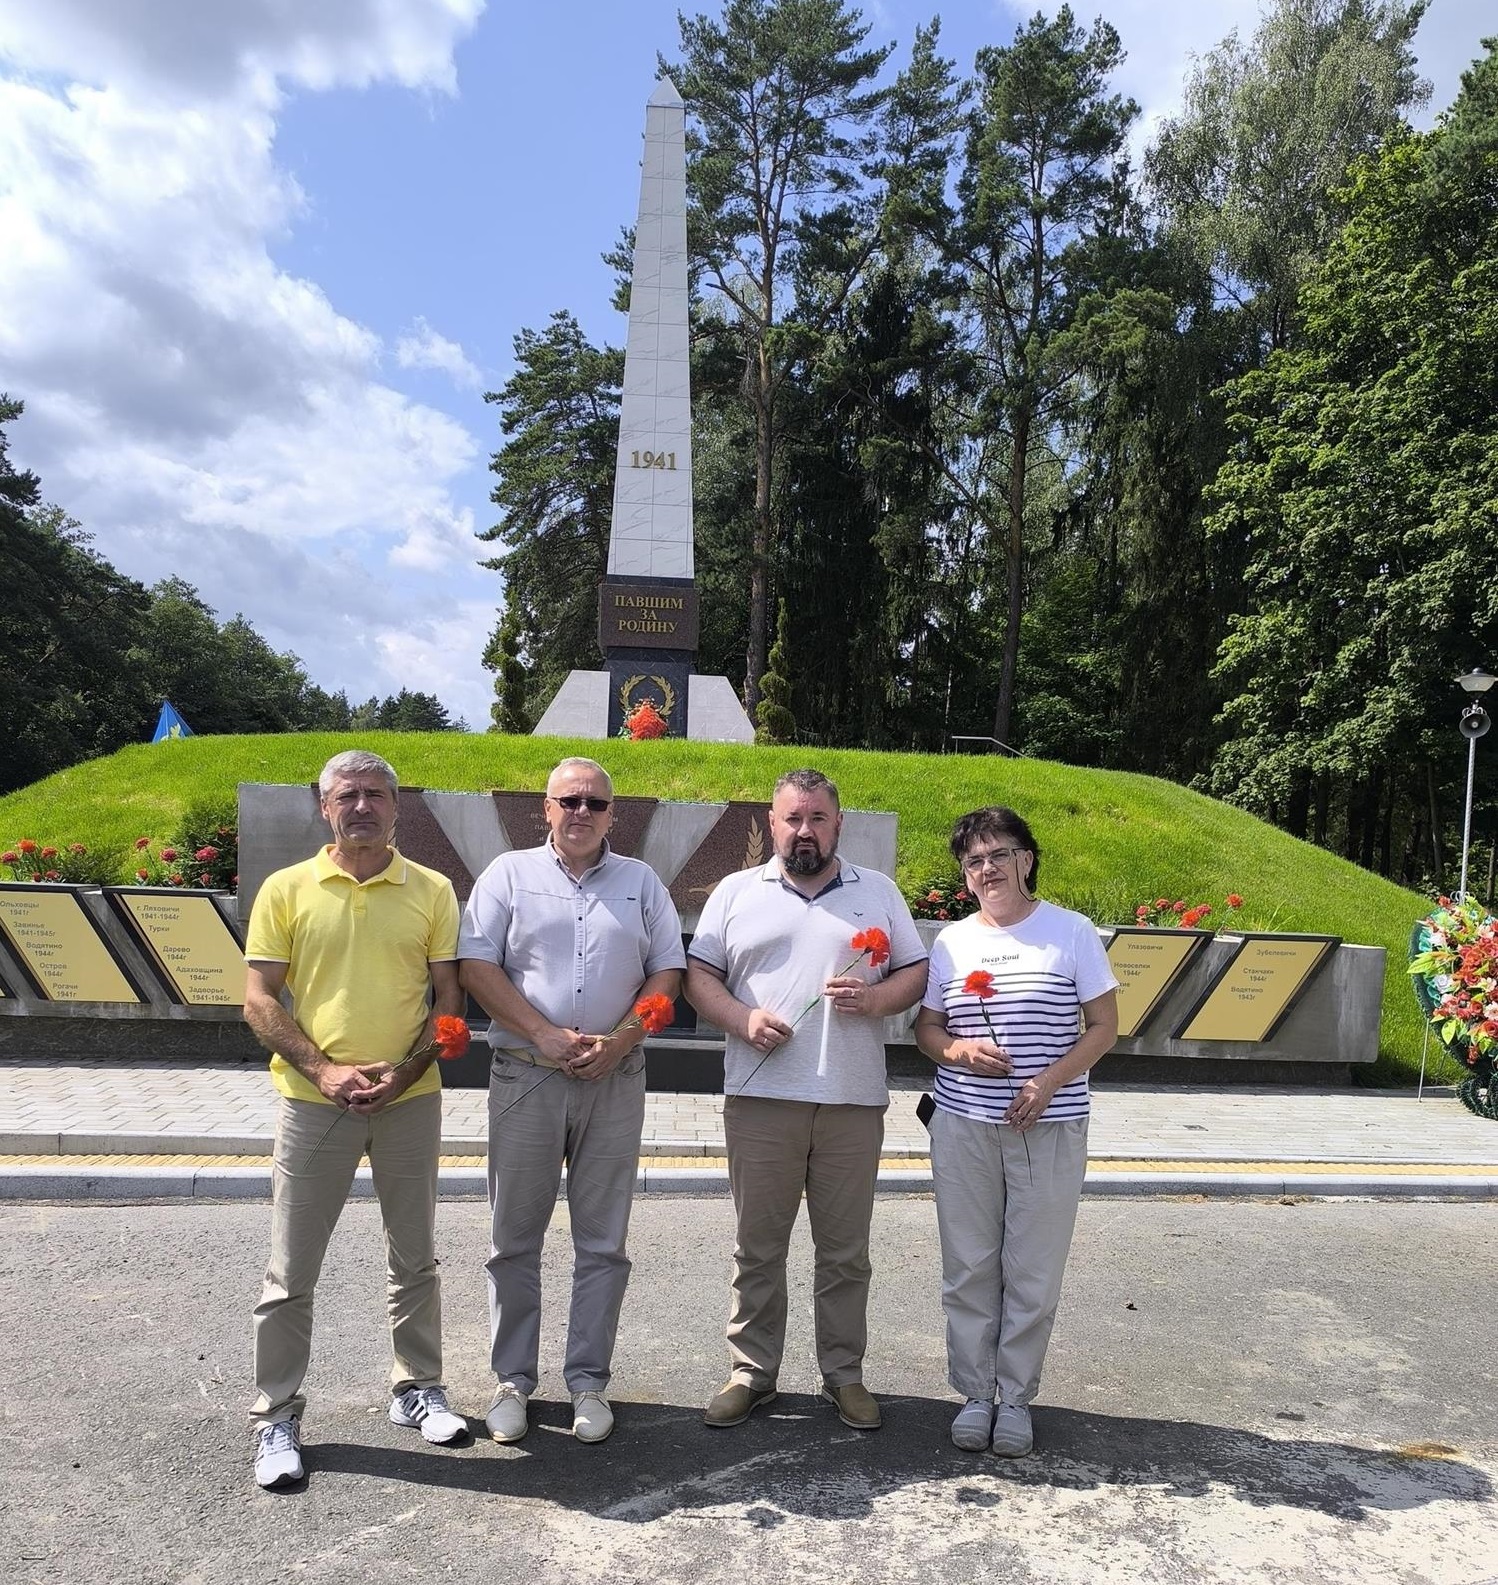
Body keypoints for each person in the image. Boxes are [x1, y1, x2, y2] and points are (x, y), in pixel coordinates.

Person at [243, 749, 467, 1491]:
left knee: (415, 1259)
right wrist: (326, 1069)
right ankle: (277, 1413)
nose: (363, 805)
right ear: (323, 805)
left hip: (409, 1100)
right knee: (290, 1269)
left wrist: (402, 1071)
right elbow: (259, 999)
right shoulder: (287, 888)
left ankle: (417, 1388)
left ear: (398, 807)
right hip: (314, 1104)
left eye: (376, 793)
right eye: (348, 794)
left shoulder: (431, 890)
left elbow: (448, 1000)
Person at [686, 768, 928, 1432]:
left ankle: (843, 1374)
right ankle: (751, 1372)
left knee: (845, 1251)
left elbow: (914, 969)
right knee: (757, 1245)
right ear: (772, 822)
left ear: (838, 824)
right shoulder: (736, 892)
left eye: (818, 818)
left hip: (851, 1099)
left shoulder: (876, 892)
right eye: (793, 818)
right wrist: (742, 1019)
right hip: (761, 1096)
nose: (805, 830)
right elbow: (699, 976)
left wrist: (877, 999)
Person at [458, 756, 684, 1445]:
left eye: (595, 801)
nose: (582, 811)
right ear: (545, 808)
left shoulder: (641, 883)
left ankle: (588, 1382)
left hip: (614, 1079)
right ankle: (511, 1383)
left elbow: (667, 970)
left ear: (613, 814)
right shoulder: (507, 875)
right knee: (513, 1237)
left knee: (603, 1242)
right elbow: (476, 965)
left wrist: (622, 1039)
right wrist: (543, 1033)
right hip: (527, 1072)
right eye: (570, 800)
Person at [913, 806, 1118, 1457]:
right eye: (974, 860)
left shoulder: (1072, 933)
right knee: (969, 1265)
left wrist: (1050, 1080)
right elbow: (928, 1029)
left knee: (1032, 1268)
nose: (987, 868)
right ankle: (975, 1392)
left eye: (999, 853)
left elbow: (1104, 1027)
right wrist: (959, 1053)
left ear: (1027, 858)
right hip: (964, 1125)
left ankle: (1016, 1396)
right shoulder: (952, 942)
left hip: (1048, 1126)